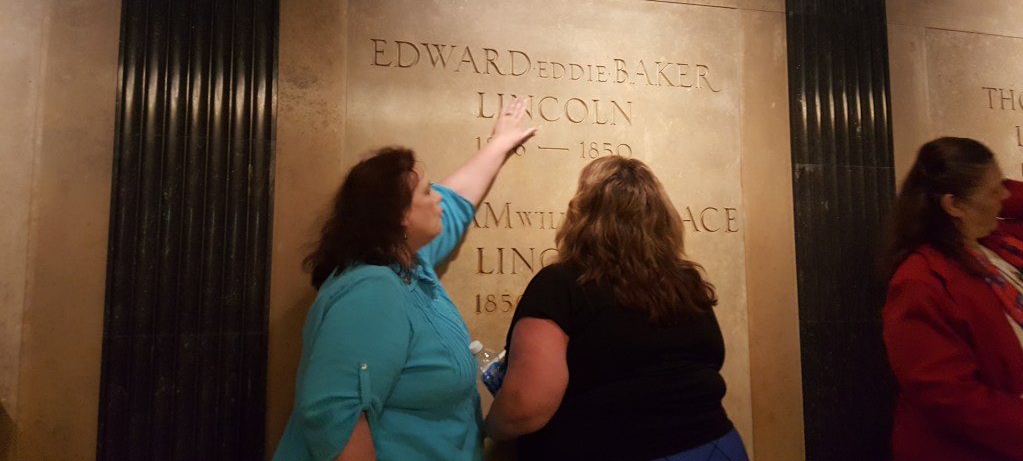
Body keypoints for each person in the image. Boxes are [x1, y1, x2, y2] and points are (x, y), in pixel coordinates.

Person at [273, 98, 536, 461]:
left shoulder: (411, 265)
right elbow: (335, 417)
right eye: (427, 191)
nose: (438, 198)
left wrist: (499, 144)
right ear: (400, 217)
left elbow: (456, 201)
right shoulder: (372, 290)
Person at [484, 156, 748, 461]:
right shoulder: (685, 283)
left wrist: (485, 428)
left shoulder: (561, 284)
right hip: (717, 447)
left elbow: (525, 408)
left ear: (582, 215)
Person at [882, 137, 1023, 461]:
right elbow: (948, 396)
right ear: (953, 205)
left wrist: (991, 184)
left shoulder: (992, 243)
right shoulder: (920, 282)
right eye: (994, 190)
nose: (1004, 195)